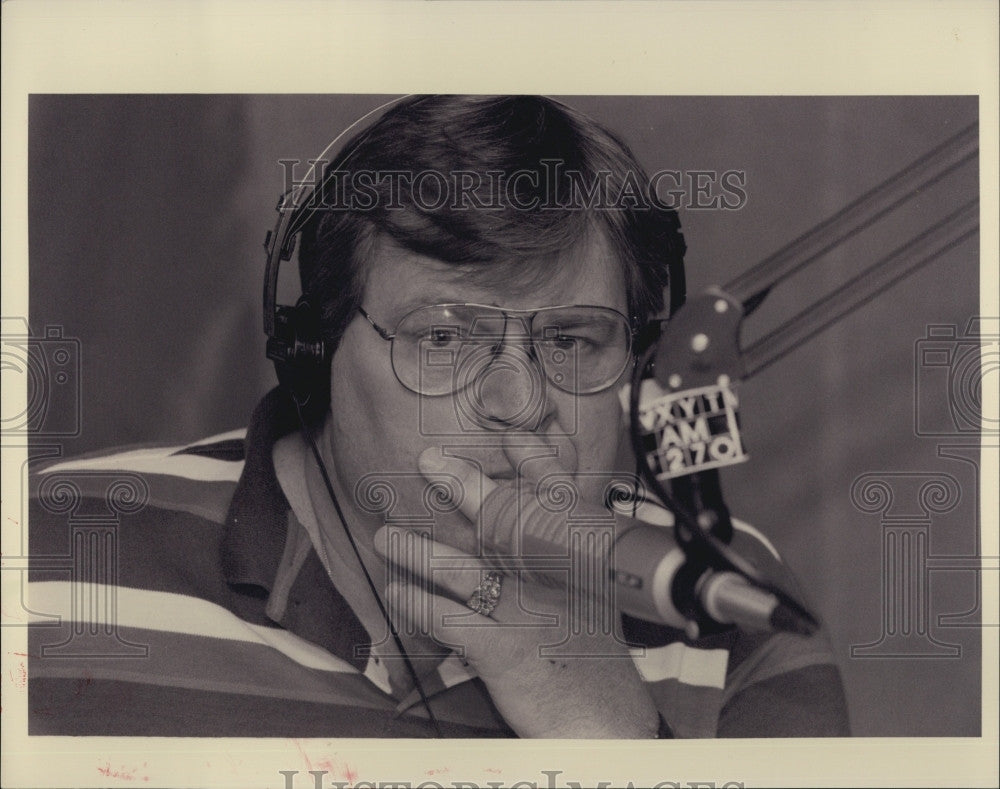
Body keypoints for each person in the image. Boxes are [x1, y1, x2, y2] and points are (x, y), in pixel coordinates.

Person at [27, 95, 849, 738]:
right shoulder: (57, 548)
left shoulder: (727, 599)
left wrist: (605, 727)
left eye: (572, 340)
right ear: (317, 346)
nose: (520, 402)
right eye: (446, 338)